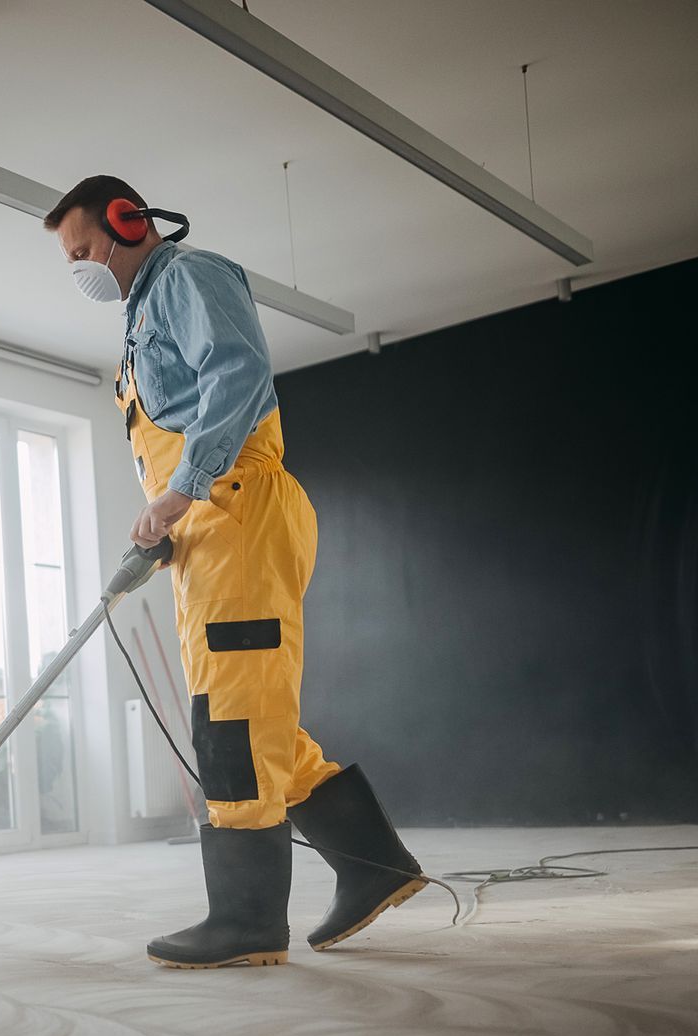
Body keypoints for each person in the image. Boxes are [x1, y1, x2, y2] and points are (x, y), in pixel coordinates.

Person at [45, 175, 428, 968]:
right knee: (251, 713)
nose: (79, 268)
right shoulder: (139, 319)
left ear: (127, 222)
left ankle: (247, 920)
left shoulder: (187, 277)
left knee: (230, 722)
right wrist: (171, 514)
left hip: (235, 508)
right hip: (208, 529)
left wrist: (181, 490)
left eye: (82, 250)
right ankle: (373, 865)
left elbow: (238, 374)